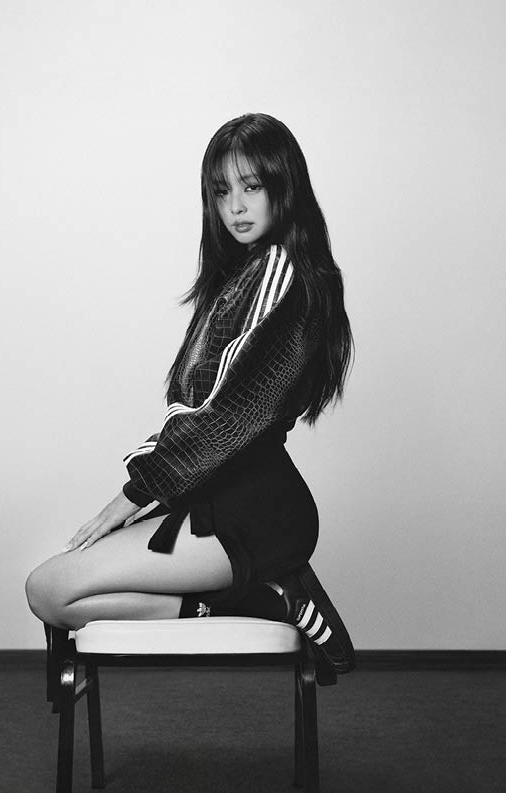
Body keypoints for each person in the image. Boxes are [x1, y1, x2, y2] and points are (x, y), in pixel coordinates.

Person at [26, 112, 356, 681]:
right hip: (212, 497)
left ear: (284, 188)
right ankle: (265, 600)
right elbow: (192, 410)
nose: (236, 207)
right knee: (53, 595)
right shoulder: (244, 276)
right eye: (222, 191)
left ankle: (273, 600)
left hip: (254, 511)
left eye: (252, 187)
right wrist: (150, 489)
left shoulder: (280, 271)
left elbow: (221, 417)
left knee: (51, 589)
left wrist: (133, 495)